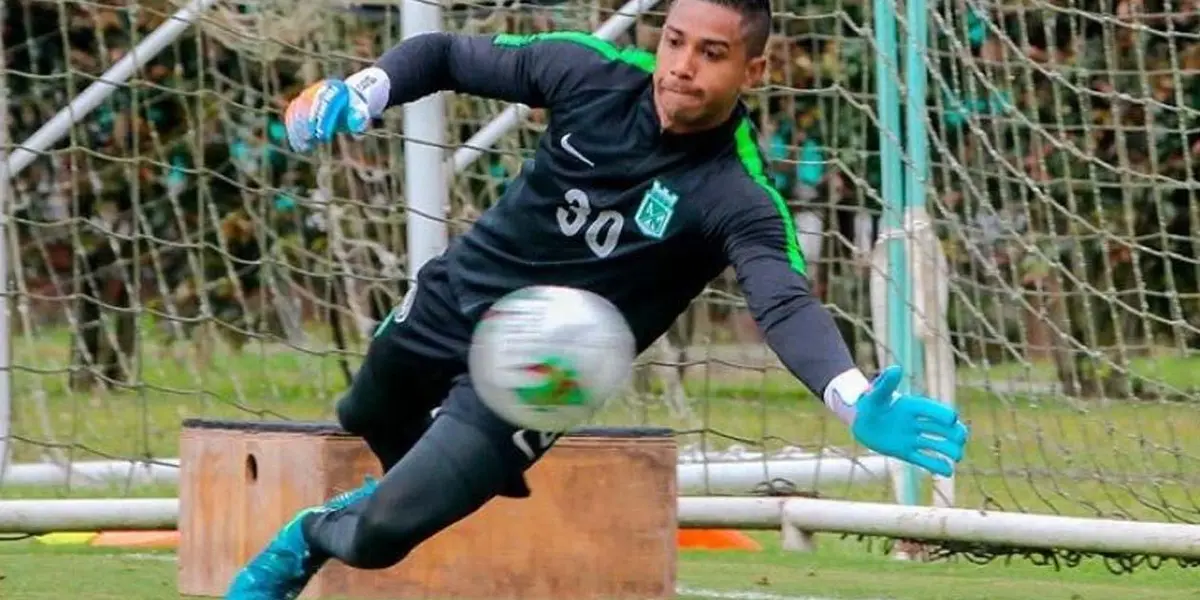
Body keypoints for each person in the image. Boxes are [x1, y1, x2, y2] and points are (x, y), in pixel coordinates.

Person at [226, 0, 970, 596]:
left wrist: (849, 395)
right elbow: (447, 55)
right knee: (364, 414)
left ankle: (312, 536)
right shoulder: (588, 71)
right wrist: (363, 88)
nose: (681, 67)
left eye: (711, 54)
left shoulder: (737, 196)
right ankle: (443, 476)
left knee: (381, 538)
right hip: (452, 300)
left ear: (756, 68)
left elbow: (783, 303)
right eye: (674, 41)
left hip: (532, 383)